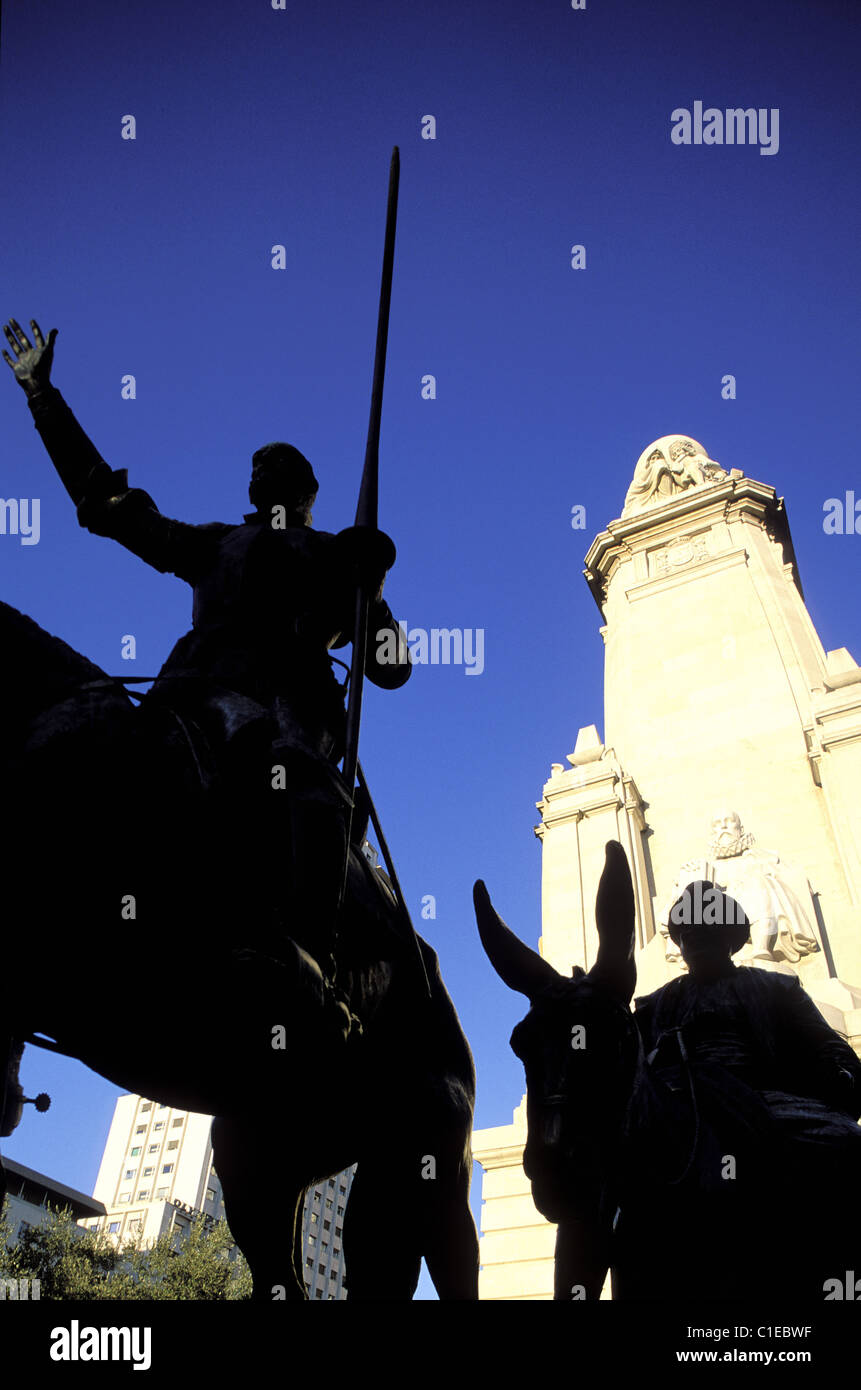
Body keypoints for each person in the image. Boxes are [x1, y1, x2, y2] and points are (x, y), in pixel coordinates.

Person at [3, 316, 411, 1033]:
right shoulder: (216, 543)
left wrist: (369, 590)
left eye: (278, 464)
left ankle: (312, 962)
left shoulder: (335, 558)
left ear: (307, 489)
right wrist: (43, 397)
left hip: (284, 711)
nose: (261, 470)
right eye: (256, 465)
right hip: (190, 698)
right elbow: (107, 508)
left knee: (298, 775)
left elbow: (391, 670)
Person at [633, 880, 861, 1288]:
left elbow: (831, 1049)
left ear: (731, 938)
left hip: (768, 1102)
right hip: (682, 1108)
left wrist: (840, 1079)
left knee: (846, 1140)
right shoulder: (653, 1006)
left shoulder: (777, 988)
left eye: (707, 931)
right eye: (688, 934)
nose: (696, 941)